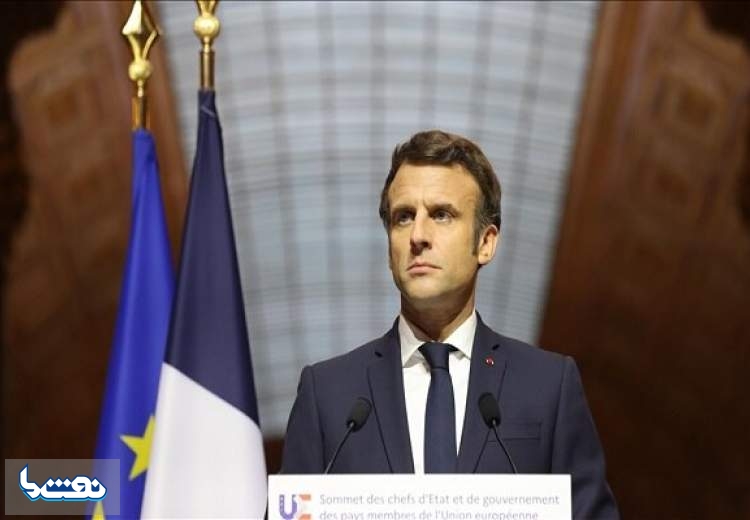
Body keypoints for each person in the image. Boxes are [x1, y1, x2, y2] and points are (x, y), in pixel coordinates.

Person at [281, 130, 619, 519]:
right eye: (403, 217)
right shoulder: (328, 395)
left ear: (485, 243)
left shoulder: (548, 386)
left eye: (441, 215)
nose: (418, 236)